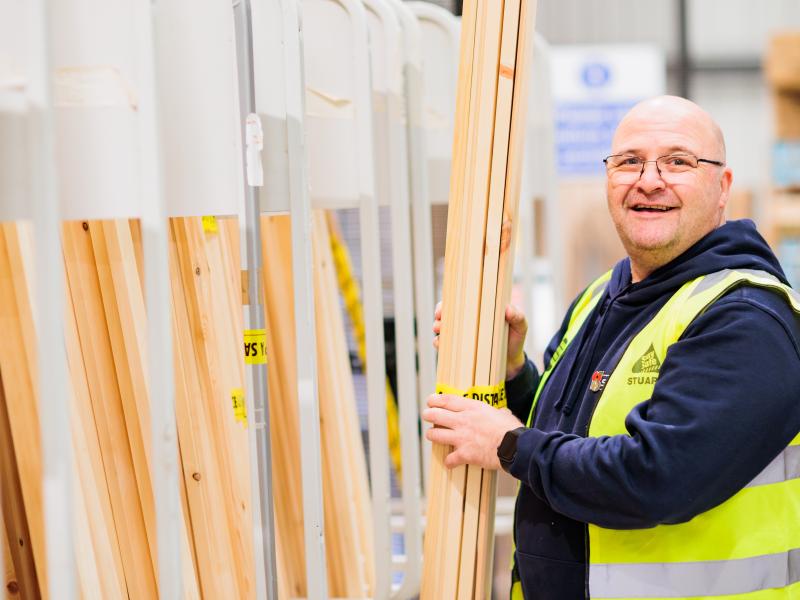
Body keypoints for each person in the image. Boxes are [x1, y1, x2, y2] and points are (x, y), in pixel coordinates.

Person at [424, 95, 800, 600]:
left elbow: (659, 476)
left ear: (722, 188)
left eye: (678, 161)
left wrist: (509, 445)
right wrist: (514, 372)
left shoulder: (745, 317)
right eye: (628, 161)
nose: (649, 179)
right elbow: (570, 433)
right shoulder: (605, 294)